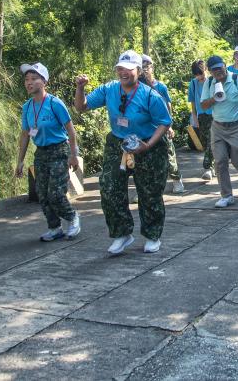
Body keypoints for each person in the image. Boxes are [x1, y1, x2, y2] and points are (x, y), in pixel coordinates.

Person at [75, 51, 171, 256]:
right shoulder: (109, 89)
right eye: (120, 69)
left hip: (147, 145)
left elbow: (165, 122)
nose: (123, 73)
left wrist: (148, 145)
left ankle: (153, 235)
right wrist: (80, 88)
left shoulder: (150, 95)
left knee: (149, 192)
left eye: (128, 69)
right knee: (109, 187)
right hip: (118, 143)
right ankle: (122, 233)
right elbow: (81, 107)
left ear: (138, 70)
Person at [16, 62, 81, 242]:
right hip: (41, 152)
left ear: (44, 82)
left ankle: (72, 217)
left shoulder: (54, 103)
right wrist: (20, 161)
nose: (29, 83)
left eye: (34, 79)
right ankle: (54, 227)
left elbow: (70, 130)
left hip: (59, 150)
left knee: (56, 193)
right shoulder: (27, 107)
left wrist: (73, 155)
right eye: (27, 80)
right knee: (42, 194)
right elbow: (25, 134)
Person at [201, 55, 238, 207]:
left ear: (225, 66)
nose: (218, 71)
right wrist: (214, 98)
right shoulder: (209, 83)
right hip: (218, 127)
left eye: (220, 67)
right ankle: (227, 195)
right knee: (220, 161)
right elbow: (204, 106)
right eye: (214, 69)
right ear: (210, 71)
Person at [141, 54, 184, 195]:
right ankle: (145, 189)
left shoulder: (160, 86)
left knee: (169, 156)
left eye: (147, 66)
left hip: (161, 126)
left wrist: (169, 125)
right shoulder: (138, 87)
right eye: (142, 67)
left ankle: (177, 181)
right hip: (145, 129)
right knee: (144, 162)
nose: (145, 69)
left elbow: (168, 106)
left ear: (152, 68)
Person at [187, 60, 215, 181]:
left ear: (206, 70)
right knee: (204, 142)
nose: (199, 76)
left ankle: (207, 167)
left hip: (214, 114)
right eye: (197, 74)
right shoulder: (193, 84)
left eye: (201, 73)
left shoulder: (212, 80)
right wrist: (194, 117)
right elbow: (193, 102)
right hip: (201, 115)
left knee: (211, 141)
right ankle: (212, 165)